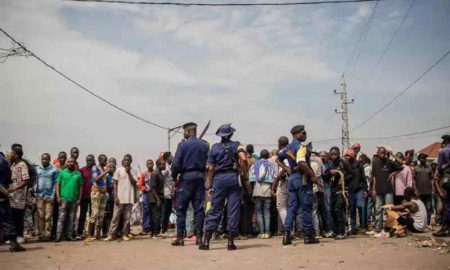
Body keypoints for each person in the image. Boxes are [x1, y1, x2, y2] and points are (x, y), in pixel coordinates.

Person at [200, 123, 248, 251]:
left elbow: (210, 168)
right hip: (233, 178)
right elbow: (243, 159)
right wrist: (244, 174)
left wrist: (209, 183)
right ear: (231, 134)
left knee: (215, 209)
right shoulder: (237, 144)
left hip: (219, 180)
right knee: (233, 210)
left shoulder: (214, 148)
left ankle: (206, 241)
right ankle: (230, 242)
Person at [278, 125, 319, 245]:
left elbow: (278, 159)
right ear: (296, 134)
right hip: (302, 178)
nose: (305, 135)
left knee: (292, 208)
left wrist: (287, 168)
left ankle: (287, 235)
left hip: (292, 179)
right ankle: (308, 236)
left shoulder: (288, 147)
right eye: (303, 133)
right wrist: (312, 175)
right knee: (306, 208)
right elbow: (301, 162)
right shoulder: (301, 147)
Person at [171, 122, 209, 246]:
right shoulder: (204, 145)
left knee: (181, 209)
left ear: (187, 132)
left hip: (186, 178)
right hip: (199, 177)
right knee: (199, 209)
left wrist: (174, 178)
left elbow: (176, 164)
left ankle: (180, 238)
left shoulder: (182, 145)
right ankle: (199, 237)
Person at [105, 154, 138, 241]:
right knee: (115, 217)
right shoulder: (118, 170)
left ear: (131, 161)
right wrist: (115, 196)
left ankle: (125, 234)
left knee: (127, 218)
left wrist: (129, 173)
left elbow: (135, 183)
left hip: (129, 198)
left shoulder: (133, 171)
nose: (126, 161)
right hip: (119, 198)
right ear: (122, 161)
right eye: (125, 160)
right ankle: (111, 234)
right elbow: (115, 184)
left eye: (128, 160)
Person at [324, 147, 354, 240]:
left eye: (335, 154)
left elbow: (352, 174)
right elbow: (325, 177)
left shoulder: (344, 162)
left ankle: (342, 232)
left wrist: (341, 176)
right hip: (333, 190)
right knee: (332, 210)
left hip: (342, 190)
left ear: (339, 154)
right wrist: (330, 173)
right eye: (332, 154)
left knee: (338, 209)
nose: (333, 156)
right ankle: (336, 231)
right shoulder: (330, 164)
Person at [371, 147, 403, 235]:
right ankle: (378, 228)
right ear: (377, 153)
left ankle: (389, 227)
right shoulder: (375, 163)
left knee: (389, 210)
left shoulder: (389, 161)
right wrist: (373, 189)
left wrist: (393, 172)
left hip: (388, 189)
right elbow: (374, 177)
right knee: (378, 209)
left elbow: (401, 165)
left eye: (384, 153)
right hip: (378, 189)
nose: (382, 154)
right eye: (381, 153)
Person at [0, 149, 26, 252]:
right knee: (7, 219)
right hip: (1, 194)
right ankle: (13, 244)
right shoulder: (2, 160)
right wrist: (5, 190)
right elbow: (7, 177)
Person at [55, 157, 83, 242]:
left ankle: (69, 235)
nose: (70, 163)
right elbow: (57, 185)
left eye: (72, 162)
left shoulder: (78, 174)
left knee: (71, 218)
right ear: (67, 163)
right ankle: (58, 236)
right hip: (63, 198)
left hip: (74, 199)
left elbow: (81, 186)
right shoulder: (62, 173)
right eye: (69, 162)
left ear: (75, 163)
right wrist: (58, 196)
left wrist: (79, 198)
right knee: (61, 218)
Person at [85, 157, 113, 241]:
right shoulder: (95, 168)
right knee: (95, 213)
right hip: (96, 192)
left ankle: (97, 235)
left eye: (106, 160)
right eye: (104, 160)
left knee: (101, 215)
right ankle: (89, 234)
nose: (105, 161)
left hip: (104, 193)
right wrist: (106, 172)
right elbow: (95, 178)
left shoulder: (104, 169)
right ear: (99, 160)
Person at [8, 144, 30, 244]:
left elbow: (26, 180)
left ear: (16, 155)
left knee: (18, 217)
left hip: (19, 197)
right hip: (12, 197)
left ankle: (20, 236)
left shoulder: (22, 165)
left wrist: (15, 188)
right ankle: (13, 236)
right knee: (12, 217)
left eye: (12, 153)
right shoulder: (13, 165)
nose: (10, 154)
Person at [251, 149, 274, 239]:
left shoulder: (255, 164)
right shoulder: (270, 164)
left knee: (259, 212)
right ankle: (267, 233)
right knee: (267, 212)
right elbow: (273, 176)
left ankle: (262, 232)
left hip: (257, 190)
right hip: (267, 189)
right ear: (268, 155)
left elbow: (252, 178)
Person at [344, 148, 367, 234]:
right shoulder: (344, 165)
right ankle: (353, 228)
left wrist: (365, 189)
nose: (347, 157)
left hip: (359, 189)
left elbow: (363, 177)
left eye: (348, 155)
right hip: (349, 190)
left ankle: (363, 226)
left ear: (353, 155)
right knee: (352, 209)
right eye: (345, 155)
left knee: (361, 207)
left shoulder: (359, 164)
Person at [35, 153, 58, 241]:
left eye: (46, 159)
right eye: (43, 159)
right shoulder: (37, 169)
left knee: (48, 217)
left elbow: (55, 184)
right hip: (39, 195)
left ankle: (47, 235)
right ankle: (40, 235)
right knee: (40, 215)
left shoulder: (54, 170)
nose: (44, 161)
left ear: (49, 159)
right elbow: (35, 181)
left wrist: (52, 196)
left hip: (49, 196)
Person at [271, 136, 289, 234]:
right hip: (293, 182)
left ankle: (288, 229)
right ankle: (295, 229)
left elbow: (277, 174)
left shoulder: (280, 154)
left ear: (279, 144)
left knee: (281, 206)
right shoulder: (291, 151)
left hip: (284, 182)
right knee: (291, 207)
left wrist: (273, 187)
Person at [433, 135, 450, 237]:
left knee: (447, 204)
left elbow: (439, 168)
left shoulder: (442, 151)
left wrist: (445, 165)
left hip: (448, 179)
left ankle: (445, 228)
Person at [77, 154, 96, 239]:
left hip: (94, 197)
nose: (89, 162)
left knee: (93, 215)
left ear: (94, 161)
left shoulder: (96, 170)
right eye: (88, 161)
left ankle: (91, 233)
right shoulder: (82, 170)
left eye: (91, 160)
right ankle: (79, 233)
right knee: (82, 215)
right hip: (84, 196)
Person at [51, 151, 67, 239]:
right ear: (58, 158)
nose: (62, 159)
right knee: (55, 214)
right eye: (61, 157)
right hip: (55, 193)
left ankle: (62, 233)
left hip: (64, 193)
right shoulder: (54, 168)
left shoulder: (67, 168)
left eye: (64, 158)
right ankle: (53, 233)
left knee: (63, 214)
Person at [414, 153, 433, 226]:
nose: (424, 159)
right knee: (421, 208)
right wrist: (415, 190)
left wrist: (433, 190)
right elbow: (414, 180)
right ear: (419, 159)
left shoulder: (429, 168)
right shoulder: (416, 168)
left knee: (428, 208)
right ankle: (422, 223)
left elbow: (432, 179)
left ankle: (428, 223)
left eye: (425, 158)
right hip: (419, 192)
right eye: (422, 158)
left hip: (428, 191)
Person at [149, 159, 166, 237]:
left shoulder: (160, 173)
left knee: (158, 215)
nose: (164, 166)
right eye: (163, 164)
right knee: (156, 215)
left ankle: (155, 232)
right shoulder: (155, 173)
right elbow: (152, 187)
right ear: (158, 165)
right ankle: (155, 233)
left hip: (159, 196)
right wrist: (158, 199)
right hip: (155, 197)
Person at [138, 159, 155, 235]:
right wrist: (144, 188)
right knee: (146, 211)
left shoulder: (155, 173)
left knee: (153, 211)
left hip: (155, 195)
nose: (150, 165)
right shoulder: (143, 174)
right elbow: (140, 184)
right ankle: (145, 228)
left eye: (151, 163)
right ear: (146, 165)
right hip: (146, 195)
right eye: (148, 163)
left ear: (153, 164)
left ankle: (153, 228)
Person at [319, 151, 333, 237]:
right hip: (320, 188)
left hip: (327, 187)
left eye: (323, 156)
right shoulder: (318, 163)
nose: (322, 158)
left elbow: (326, 176)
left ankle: (330, 229)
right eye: (320, 156)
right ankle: (324, 229)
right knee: (321, 210)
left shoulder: (329, 165)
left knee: (327, 209)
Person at [102, 157, 116, 238]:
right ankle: (104, 232)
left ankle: (111, 232)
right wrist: (113, 184)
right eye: (110, 167)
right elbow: (106, 187)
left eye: (113, 167)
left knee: (111, 216)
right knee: (105, 216)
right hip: (107, 198)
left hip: (114, 199)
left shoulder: (116, 176)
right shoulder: (106, 176)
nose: (112, 169)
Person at [161, 152, 174, 236]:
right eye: (171, 156)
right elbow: (160, 178)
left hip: (169, 193)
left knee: (168, 211)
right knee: (165, 212)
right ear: (167, 158)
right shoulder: (165, 168)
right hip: (165, 193)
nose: (172, 158)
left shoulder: (169, 167)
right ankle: (163, 230)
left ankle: (165, 229)